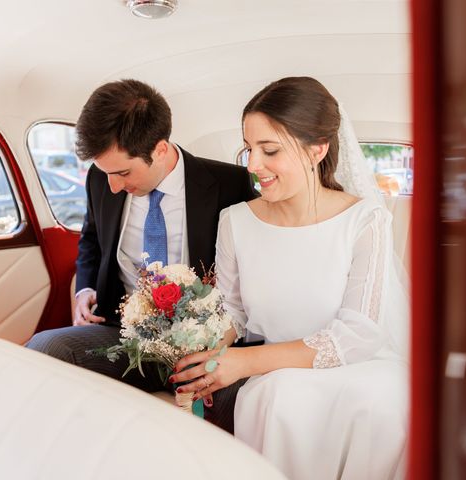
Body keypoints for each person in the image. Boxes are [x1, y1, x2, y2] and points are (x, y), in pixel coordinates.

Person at [168, 77, 409, 479]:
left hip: (360, 367)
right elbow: (232, 311)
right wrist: (205, 351)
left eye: (269, 150)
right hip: (279, 376)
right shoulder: (235, 221)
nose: (252, 165)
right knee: (284, 396)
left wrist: (243, 361)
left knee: (383, 402)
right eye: (249, 149)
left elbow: (359, 334)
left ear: (317, 149)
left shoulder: (366, 220)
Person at [27, 80, 258, 427]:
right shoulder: (100, 178)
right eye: (107, 173)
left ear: (161, 149)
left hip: (206, 342)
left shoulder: (231, 184)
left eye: (123, 172)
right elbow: (90, 240)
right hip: (122, 334)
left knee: (241, 402)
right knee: (45, 350)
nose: (114, 187)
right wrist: (84, 288)